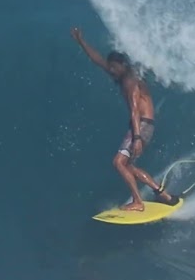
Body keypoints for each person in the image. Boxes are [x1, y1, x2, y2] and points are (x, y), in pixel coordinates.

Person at [71, 27, 178, 211]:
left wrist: (136, 138)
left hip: (141, 125)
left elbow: (135, 111)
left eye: (114, 67)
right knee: (128, 165)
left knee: (118, 163)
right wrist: (82, 42)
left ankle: (138, 202)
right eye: (111, 67)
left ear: (123, 65)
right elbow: (98, 60)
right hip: (144, 125)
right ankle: (162, 194)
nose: (111, 70)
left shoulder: (130, 81)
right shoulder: (121, 75)